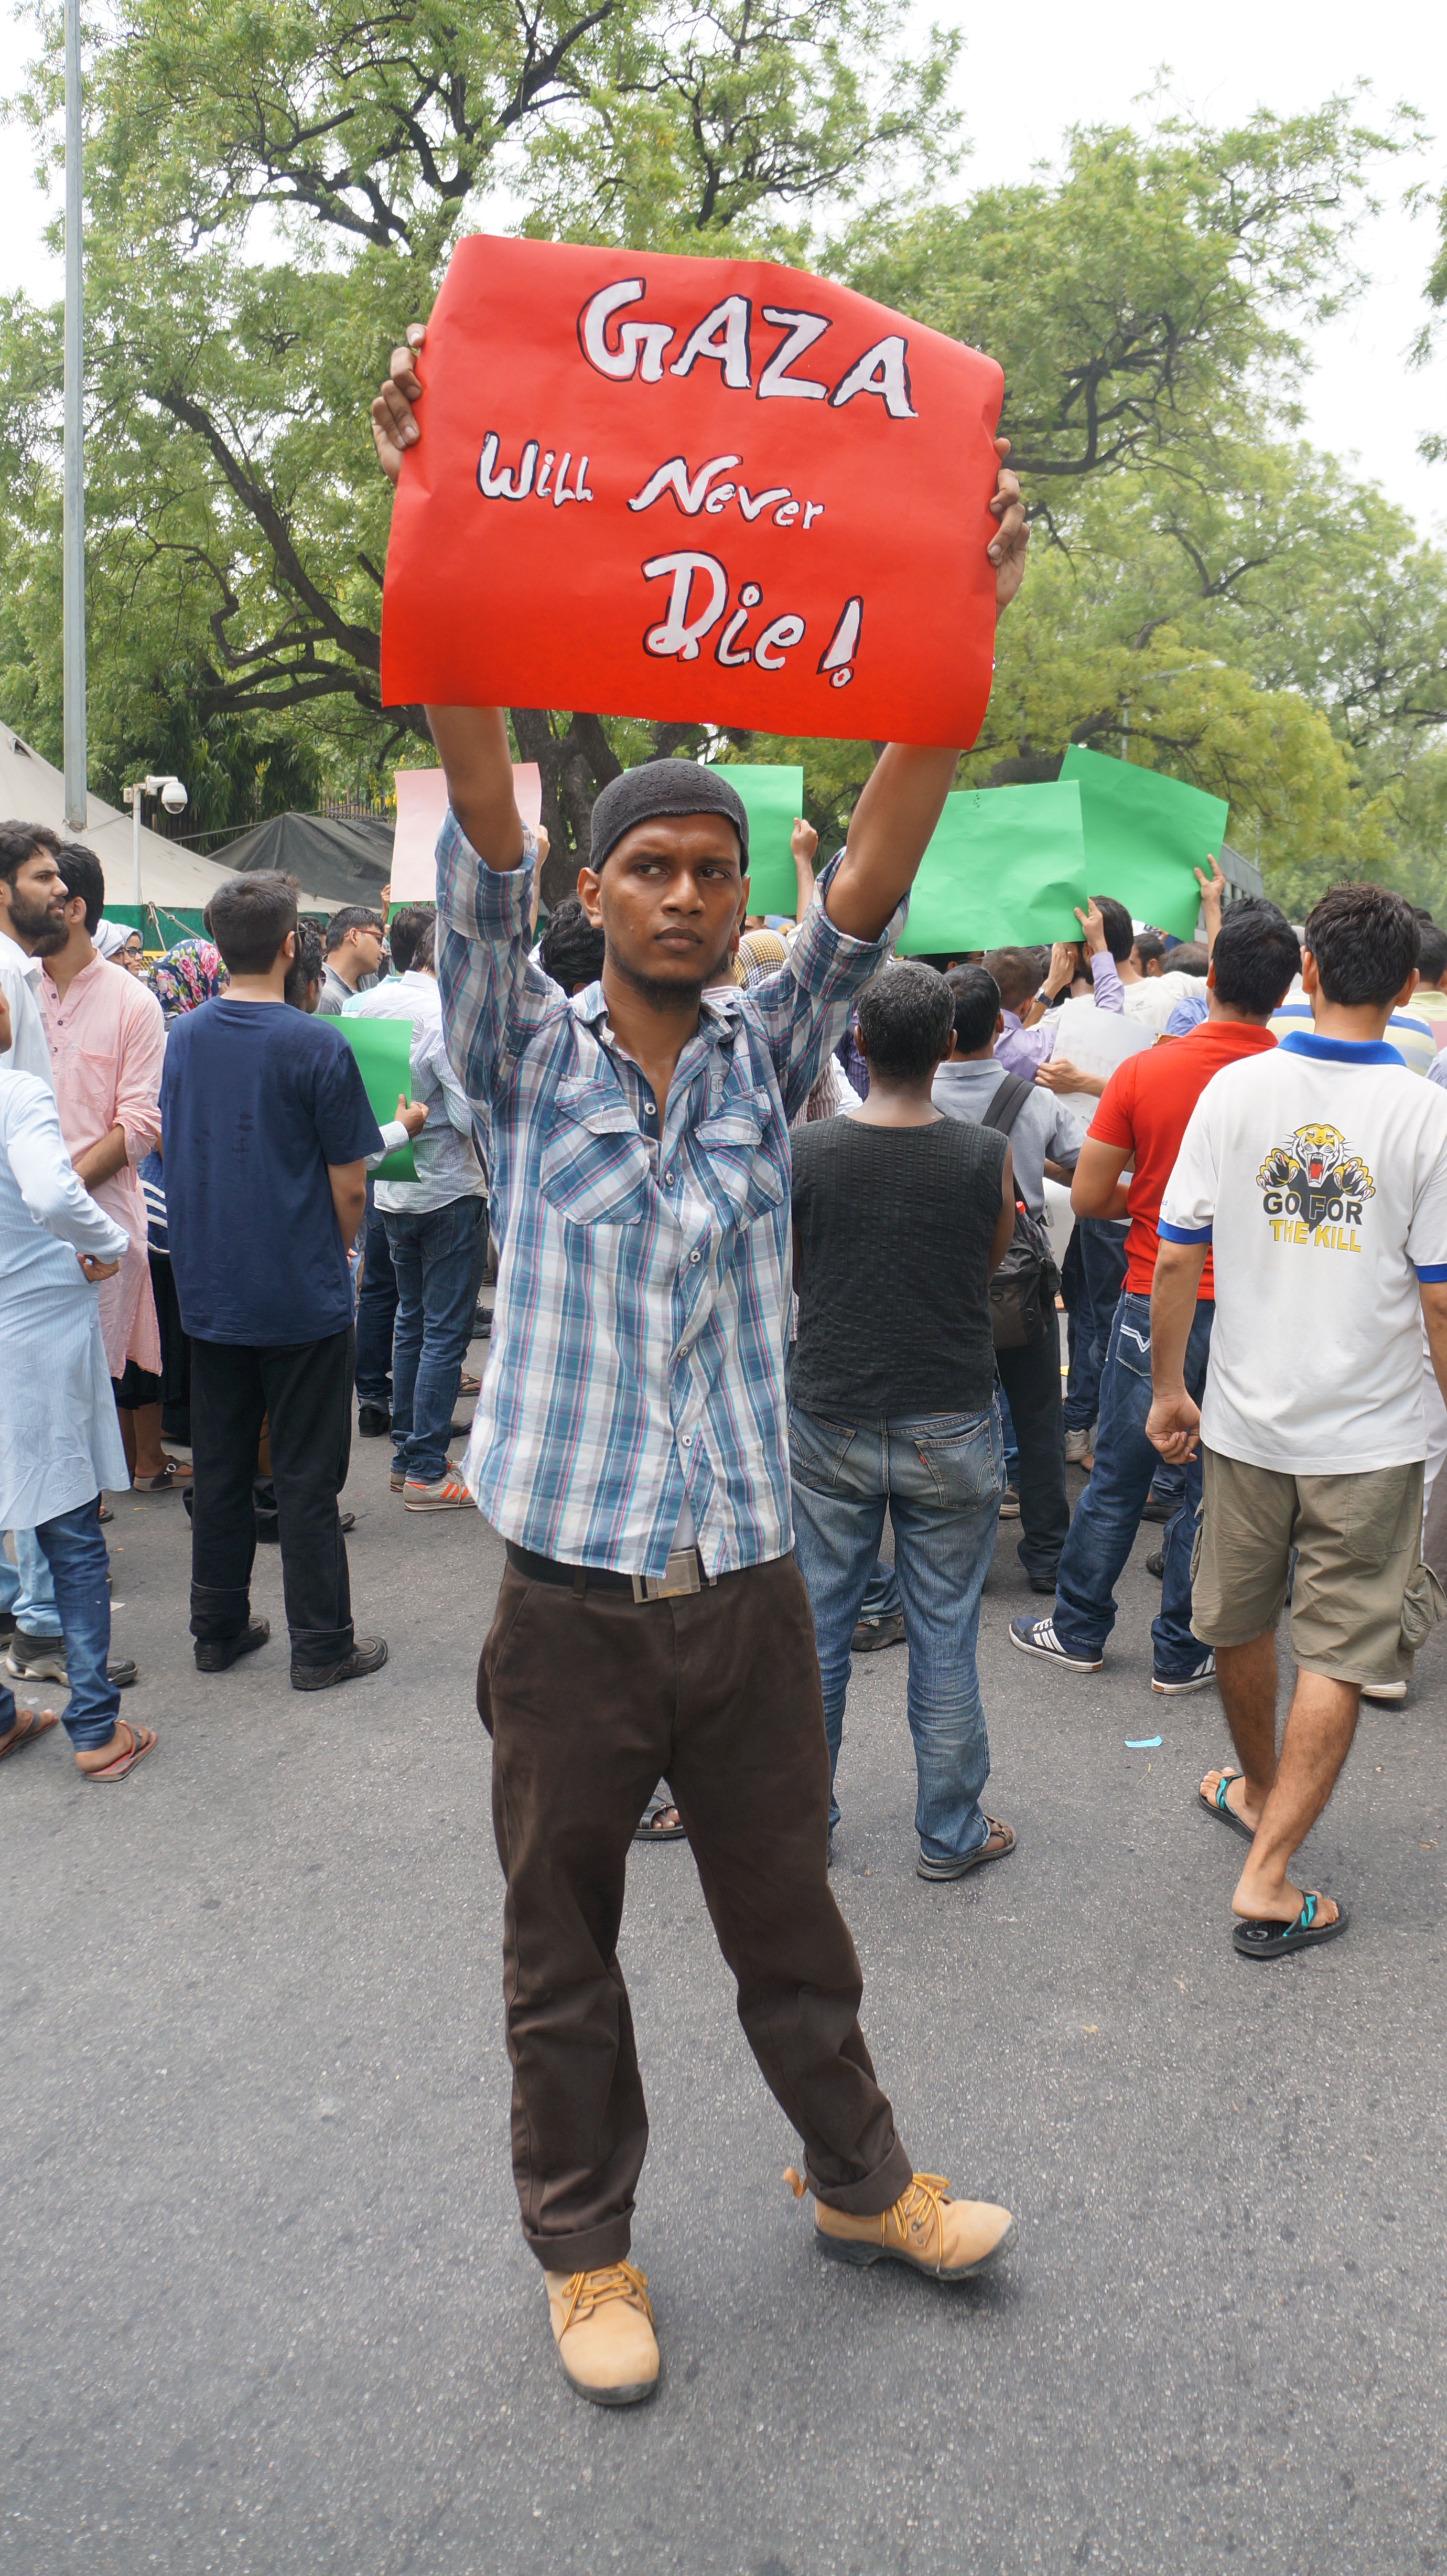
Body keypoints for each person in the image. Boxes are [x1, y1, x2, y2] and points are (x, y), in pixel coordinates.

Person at [371, 324, 1030, 2405]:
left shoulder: (774, 1047)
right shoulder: (506, 1042)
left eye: (710, 868)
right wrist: (442, 508)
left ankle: (862, 2177)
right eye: (646, 867)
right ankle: (589, 2251)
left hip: (747, 1593)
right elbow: (476, 809)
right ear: (594, 895)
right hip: (565, 1609)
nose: (682, 891)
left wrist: (959, 616)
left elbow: (889, 867)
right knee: (562, 1951)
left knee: (790, 1928)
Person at [1146, 882, 1447, 1958]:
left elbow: (1177, 1252)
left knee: (1235, 1617)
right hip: (1371, 1432)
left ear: (1308, 972)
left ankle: (1262, 1797)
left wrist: (1168, 1387)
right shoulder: (1425, 1112)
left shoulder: (1236, 1090)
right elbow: (1442, 1297)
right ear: (1406, 983)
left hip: (1243, 1420)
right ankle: (1270, 1864)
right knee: (1345, 1642)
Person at [1010, 898, 1301, 1693]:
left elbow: (1096, 1196)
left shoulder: (1148, 1071)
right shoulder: (1298, 1082)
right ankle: (1183, 1648)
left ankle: (1077, 1629)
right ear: (1287, 988)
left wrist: (1163, 1200)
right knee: (1218, 1486)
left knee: (1120, 1476)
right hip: (1261, 1311)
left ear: (1209, 977)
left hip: (1154, 1298)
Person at [789, 963, 1016, 1875]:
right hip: (951, 1415)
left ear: (862, 1044)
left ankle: (803, 1821)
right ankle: (951, 1829)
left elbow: (800, 1272)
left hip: (831, 1409)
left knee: (818, 1628)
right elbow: (989, 1261)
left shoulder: (806, 1153)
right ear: (949, 1046)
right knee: (945, 1631)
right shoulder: (980, 1155)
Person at [161, 871, 390, 1690]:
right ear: (292, 944)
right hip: (300, 1292)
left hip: (212, 1287)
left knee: (221, 1467)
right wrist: (334, 1255)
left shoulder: (184, 1036)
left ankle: (216, 1629)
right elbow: (351, 1183)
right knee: (305, 1474)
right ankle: (322, 1645)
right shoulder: (315, 1042)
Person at [0, 986, 155, 1781]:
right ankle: (96, 1730)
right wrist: (108, 1243)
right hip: (32, 1342)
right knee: (71, 1539)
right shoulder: (18, 1091)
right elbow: (55, 1190)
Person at [37, 843, 175, 1509]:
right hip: (19, 1229)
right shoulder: (16, 988)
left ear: (74, 907)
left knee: (79, 1398)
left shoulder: (133, 1003)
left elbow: (139, 1127)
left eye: (39, 888)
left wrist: (55, 1190)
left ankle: (68, 1551)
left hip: (97, 1232)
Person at [933, 962, 1075, 1589]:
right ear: (1000, 1024)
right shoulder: (1037, 1101)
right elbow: (1092, 1160)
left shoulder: (916, 1098)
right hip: (1023, 1291)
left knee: (947, 1425)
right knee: (1039, 1421)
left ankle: (956, 1553)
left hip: (941, 1289)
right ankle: (1047, 1556)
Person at [342, 914, 489, 1509]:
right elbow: (465, 1114)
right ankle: (426, 1466)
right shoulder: (442, 1015)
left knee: (410, 1319)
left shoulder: (361, 1007)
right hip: (447, 1189)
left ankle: (410, 1453)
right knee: (443, 1331)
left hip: (391, 1186)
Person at [351, 908, 435, 1439]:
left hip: (379, 1172)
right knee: (426, 1308)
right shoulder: (440, 1009)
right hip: (426, 1170)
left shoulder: (361, 1006)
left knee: (386, 1291)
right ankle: (416, 1424)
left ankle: (374, 1395)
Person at [316, 905, 386, 1016]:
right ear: (354, 936)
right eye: (378, 940)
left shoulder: (368, 982)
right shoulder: (324, 996)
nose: (383, 951)